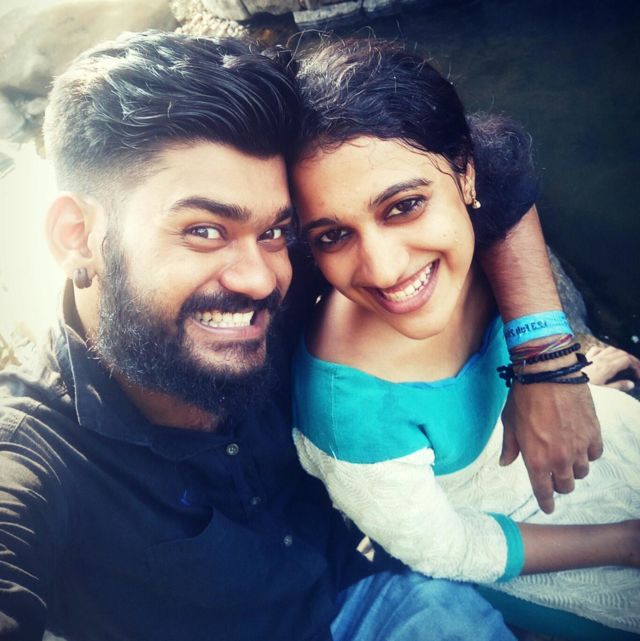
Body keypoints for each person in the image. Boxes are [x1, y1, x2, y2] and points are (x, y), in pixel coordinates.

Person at [0, 29, 606, 640]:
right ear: (77, 236)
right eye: (204, 230)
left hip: (370, 592)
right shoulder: (32, 457)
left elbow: (490, 165)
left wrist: (545, 357)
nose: (259, 279)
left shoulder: (299, 274)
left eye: (274, 232)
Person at [289, 39, 640, 640]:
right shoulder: (350, 408)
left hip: (589, 444)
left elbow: (507, 171)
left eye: (404, 206)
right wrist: (627, 543)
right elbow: (445, 548)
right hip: (523, 549)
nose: (384, 268)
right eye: (332, 235)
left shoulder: (483, 230)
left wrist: (547, 361)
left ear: (466, 172)